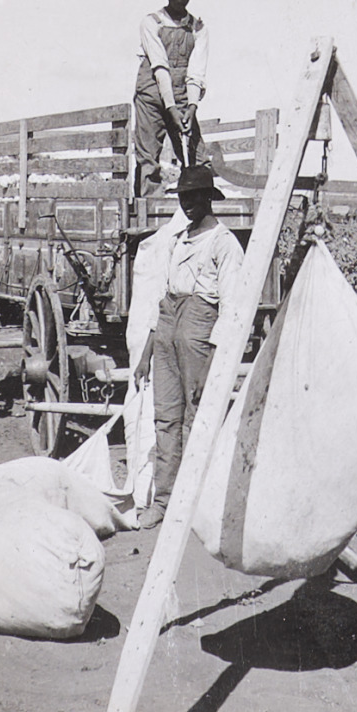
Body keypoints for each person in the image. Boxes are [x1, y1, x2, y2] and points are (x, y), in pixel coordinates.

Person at [136, 165, 248, 529]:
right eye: (182, 197)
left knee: (198, 420)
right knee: (166, 418)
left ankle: (198, 503)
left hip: (200, 331)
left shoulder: (224, 243)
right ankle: (165, 501)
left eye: (193, 197)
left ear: (208, 198)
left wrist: (214, 359)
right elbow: (162, 297)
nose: (186, 203)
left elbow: (232, 308)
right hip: (168, 328)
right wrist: (146, 353)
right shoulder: (177, 239)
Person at [134, 0, 208, 188]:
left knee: (197, 158)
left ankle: (199, 212)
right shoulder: (151, 23)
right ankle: (147, 215)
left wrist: (192, 106)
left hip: (183, 97)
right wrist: (170, 108)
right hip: (152, 97)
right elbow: (160, 67)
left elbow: (196, 71)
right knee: (148, 159)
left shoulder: (198, 28)